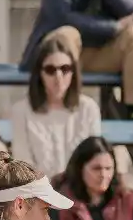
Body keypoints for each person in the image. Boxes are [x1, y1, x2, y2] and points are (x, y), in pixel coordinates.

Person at [10, 39, 101, 180]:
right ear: (39, 73)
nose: (58, 77)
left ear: (73, 72)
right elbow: (24, 165)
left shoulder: (88, 108)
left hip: (80, 192)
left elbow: (94, 158)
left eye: (65, 69)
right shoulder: (21, 111)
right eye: (50, 70)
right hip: (39, 193)